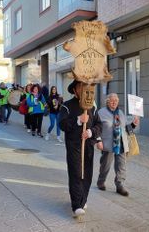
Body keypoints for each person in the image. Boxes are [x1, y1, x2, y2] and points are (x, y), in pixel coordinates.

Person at [59, 80, 102, 218]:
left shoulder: (92, 107)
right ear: (75, 90)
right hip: (73, 146)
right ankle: (76, 205)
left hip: (88, 145)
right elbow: (62, 124)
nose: (84, 90)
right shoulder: (67, 106)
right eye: (81, 87)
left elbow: (99, 125)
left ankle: (83, 199)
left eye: (86, 87)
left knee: (87, 173)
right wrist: (78, 120)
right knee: (76, 173)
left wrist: (91, 132)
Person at [96, 93, 139, 196]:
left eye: (116, 100)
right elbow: (96, 128)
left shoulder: (120, 112)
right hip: (108, 143)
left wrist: (133, 124)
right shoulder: (101, 113)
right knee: (105, 164)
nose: (114, 102)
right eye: (111, 100)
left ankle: (120, 185)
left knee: (121, 165)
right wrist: (98, 140)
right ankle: (101, 181)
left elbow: (124, 128)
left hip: (121, 143)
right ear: (107, 101)